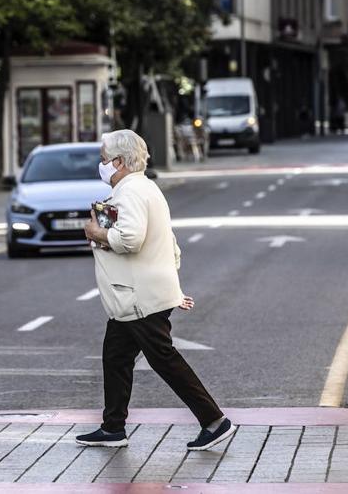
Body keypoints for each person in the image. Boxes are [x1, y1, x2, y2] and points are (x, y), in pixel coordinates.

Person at [77, 129, 234, 452]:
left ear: (119, 161)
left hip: (138, 296)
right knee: (116, 357)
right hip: (136, 295)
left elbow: (131, 239)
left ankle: (214, 421)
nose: (102, 164)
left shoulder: (129, 193)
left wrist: (97, 233)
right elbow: (169, 245)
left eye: (104, 159)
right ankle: (113, 427)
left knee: (163, 359)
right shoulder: (145, 188)